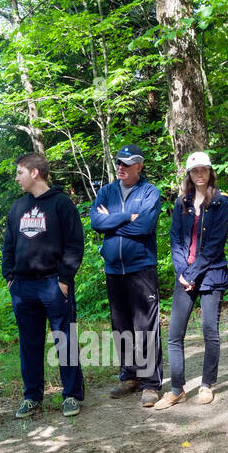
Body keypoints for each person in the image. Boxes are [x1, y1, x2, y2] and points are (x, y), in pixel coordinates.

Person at [3, 153, 85, 418]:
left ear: (35, 172)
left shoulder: (61, 204)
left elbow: (74, 244)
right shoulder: (17, 208)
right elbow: (9, 245)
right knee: (29, 343)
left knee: (64, 339)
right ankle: (32, 397)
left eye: (19, 172)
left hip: (53, 284)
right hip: (23, 287)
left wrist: (64, 279)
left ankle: (71, 394)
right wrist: (10, 278)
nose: (17, 178)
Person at [153, 151, 228, 409]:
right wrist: (181, 272)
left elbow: (215, 246)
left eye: (204, 170)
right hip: (185, 276)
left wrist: (191, 273)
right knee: (174, 334)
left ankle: (207, 385)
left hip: (211, 274)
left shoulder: (221, 202)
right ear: (189, 173)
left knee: (210, 332)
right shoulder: (181, 202)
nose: (199, 174)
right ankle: (177, 389)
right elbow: (175, 239)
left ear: (210, 172)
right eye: (195, 170)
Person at [88, 144, 164, 407]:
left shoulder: (149, 192)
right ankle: (129, 376)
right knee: (121, 326)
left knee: (146, 326)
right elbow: (95, 223)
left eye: (127, 164)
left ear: (139, 166)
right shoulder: (107, 192)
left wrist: (113, 225)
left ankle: (150, 383)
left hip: (141, 267)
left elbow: (145, 226)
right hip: (113, 270)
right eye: (119, 162)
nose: (121, 167)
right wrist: (125, 217)